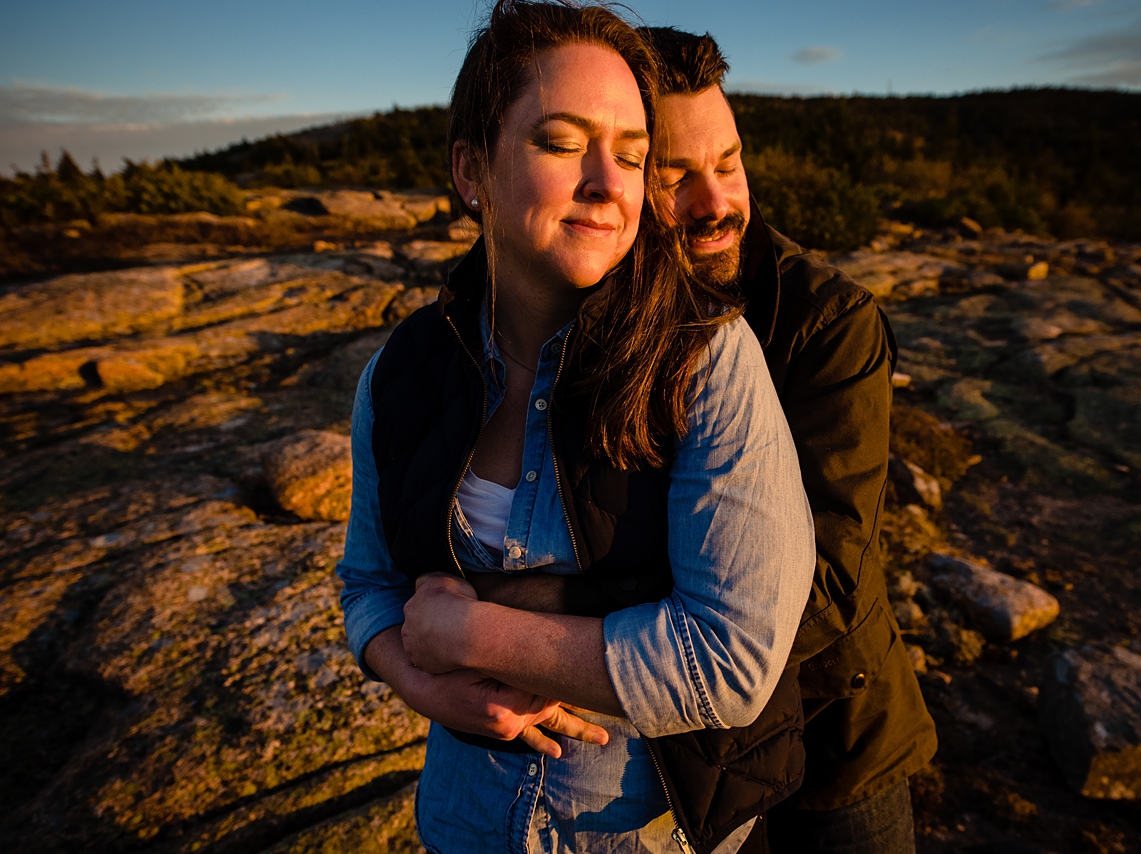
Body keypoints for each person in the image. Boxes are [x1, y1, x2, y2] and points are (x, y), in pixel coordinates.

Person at [337, 3, 814, 852]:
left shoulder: (705, 358)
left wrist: (479, 634)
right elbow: (368, 585)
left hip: (645, 831)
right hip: (463, 822)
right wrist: (422, 682)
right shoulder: (400, 373)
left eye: (632, 155)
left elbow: (732, 661)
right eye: (562, 144)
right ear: (471, 168)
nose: (607, 183)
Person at [638, 27, 939, 854]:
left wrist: (595, 667)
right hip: (681, 761)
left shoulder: (828, 322)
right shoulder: (607, 316)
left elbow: (827, 577)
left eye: (728, 162)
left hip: (835, 739)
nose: (716, 202)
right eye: (676, 176)